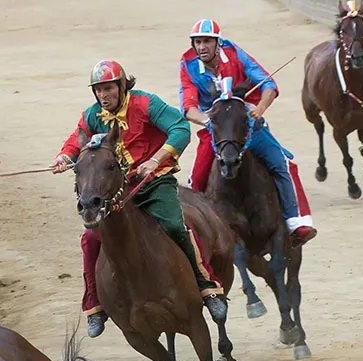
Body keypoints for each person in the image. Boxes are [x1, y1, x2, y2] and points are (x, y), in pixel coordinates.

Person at [52, 59, 220, 338]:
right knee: (90, 239)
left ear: (121, 86)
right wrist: (63, 156)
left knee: (175, 225)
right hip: (118, 188)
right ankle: (94, 304)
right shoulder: (93, 115)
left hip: (154, 182)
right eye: (99, 90)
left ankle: (205, 284)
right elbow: (76, 140)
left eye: (108, 89)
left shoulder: (146, 104)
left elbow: (180, 127)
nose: (104, 96)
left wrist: (155, 160)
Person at [179, 19, 316, 244]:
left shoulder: (234, 52)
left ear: (217, 43)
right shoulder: (187, 64)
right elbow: (188, 107)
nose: (201, 47)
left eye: (206, 41)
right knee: (198, 177)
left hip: (247, 124)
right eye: (198, 42)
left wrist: (260, 108)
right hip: (215, 129)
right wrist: (207, 121)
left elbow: (267, 83)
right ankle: (201, 231)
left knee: (282, 163)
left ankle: (295, 222)